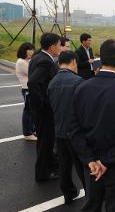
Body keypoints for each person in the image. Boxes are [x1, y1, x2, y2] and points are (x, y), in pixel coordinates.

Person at [68, 39, 115, 212]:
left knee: (92, 204)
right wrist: (106, 162)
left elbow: (73, 129)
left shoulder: (81, 88)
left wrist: (90, 160)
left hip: (91, 165)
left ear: (101, 58)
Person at [48, 51, 86, 205]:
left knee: (64, 165)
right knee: (82, 165)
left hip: (59, 130)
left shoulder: (52, 82)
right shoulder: (78, 81)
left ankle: (68, 193)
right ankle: (91, 194)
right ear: (74, 62)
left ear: (59, 64)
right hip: (76, 133)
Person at [27, 32, 61, 182]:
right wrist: (39, 105)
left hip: (43, 109)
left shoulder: (37, 57)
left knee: (46, 141)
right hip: (44, 110)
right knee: (45, 142)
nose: (60, 48)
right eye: (59, 45)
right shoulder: (46, 61)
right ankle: (42, 175)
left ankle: (52, 167)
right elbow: (33, 82)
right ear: (52, 46)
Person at [15, 42, 36, 141]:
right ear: (24, 51)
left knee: (32, 110)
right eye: (29, 50)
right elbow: (32, 73)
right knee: (28, 111)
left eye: (32, 50)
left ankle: (32, 130)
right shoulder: (21, 62)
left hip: (31, 88)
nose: (32, 52)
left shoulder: (28, 61)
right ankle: (27, 133)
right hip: (26, 88)